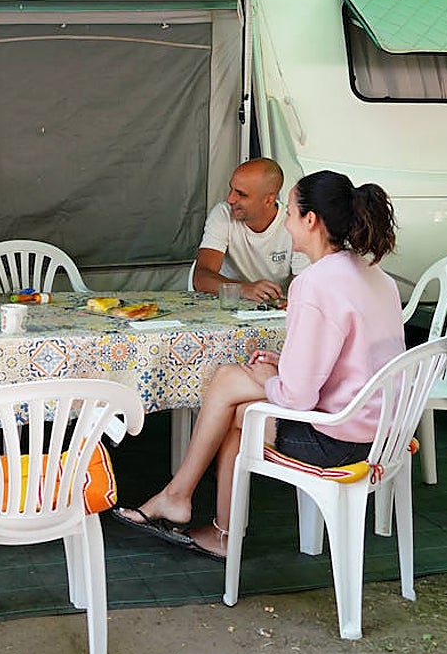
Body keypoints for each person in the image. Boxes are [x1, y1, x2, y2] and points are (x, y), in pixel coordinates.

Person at [116, 170, 404, 560]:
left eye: (289, 211)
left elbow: (298, 397)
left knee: (234, 397)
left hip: (341, 441)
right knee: (233, 392)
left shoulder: (314, 284)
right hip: (386, 431)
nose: (285, 221)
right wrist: (283, 365)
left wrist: (274, 378)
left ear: (311, 220)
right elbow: (349, 358)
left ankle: (188, 505)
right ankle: (186, 504)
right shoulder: (375, 274)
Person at [193, 158, 305, 304]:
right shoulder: (223, 214)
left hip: (272, 311)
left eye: (241, 194)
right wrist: (245, 289)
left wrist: (291, 302)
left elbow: (304, 287)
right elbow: (201, 277)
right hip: (228, 307)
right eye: (231, 189)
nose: (230, 199)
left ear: (269, 200)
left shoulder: (294, 225)